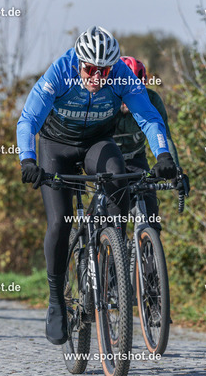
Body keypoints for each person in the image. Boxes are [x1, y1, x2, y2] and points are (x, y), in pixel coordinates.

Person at [17, 26, 179, 345]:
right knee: (59, 223)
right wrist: (27, 160)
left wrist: (162, 155)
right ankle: (56, 300)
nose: (96, 77)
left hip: (97, 143)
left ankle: (109, 261)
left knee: (118, 181)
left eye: (103, 71)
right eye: (90, 69)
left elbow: (148, 117)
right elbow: (28, 119)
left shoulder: (121, 75)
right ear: (79, 62)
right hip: (56, 146)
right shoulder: (60, 72)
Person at [114, 56, 180, 232]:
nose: (129, 97)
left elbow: (166, 137)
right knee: (113, 217)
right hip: (109, 159)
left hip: (136, 158)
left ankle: (149, 243)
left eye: (136, 90)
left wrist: (175, 169)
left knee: (151, 214)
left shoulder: (152, 100)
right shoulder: (105, 100)